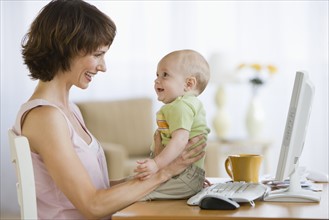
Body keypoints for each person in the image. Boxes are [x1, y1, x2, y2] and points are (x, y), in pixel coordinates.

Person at [12, 0, 206, 219]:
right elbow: (92, 205)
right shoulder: (45, 117)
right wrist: (166, 172)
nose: (103, 66)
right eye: (97, 55)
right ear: (67, 49)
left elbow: (97, 189)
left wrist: (175, 179)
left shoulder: (68, 110)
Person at [134, 49, 211, 201]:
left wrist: (156, 164)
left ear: (188, 84)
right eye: (157, 75)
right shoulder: (186, 105)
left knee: (137, 193)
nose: (157, 80)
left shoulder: (181, 106)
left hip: (181, 175)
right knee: (132, 185)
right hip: (184, 174)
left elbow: (180, 141)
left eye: (165, 75)